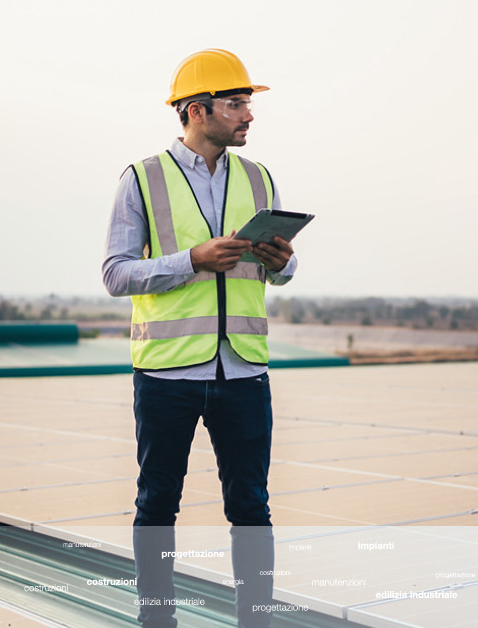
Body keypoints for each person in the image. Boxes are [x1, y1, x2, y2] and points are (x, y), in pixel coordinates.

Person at [101, 48, 295, 628]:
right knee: (157, 506)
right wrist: (192, 260)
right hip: (167, 376)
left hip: (244, 372)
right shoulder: (141, 179)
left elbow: (280, 274)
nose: (248, 115)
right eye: (236, 104)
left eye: (248, 104)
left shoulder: (260, 179)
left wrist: (281, 259)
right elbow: (115, 273)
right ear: (196, 110)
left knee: (252, 509)